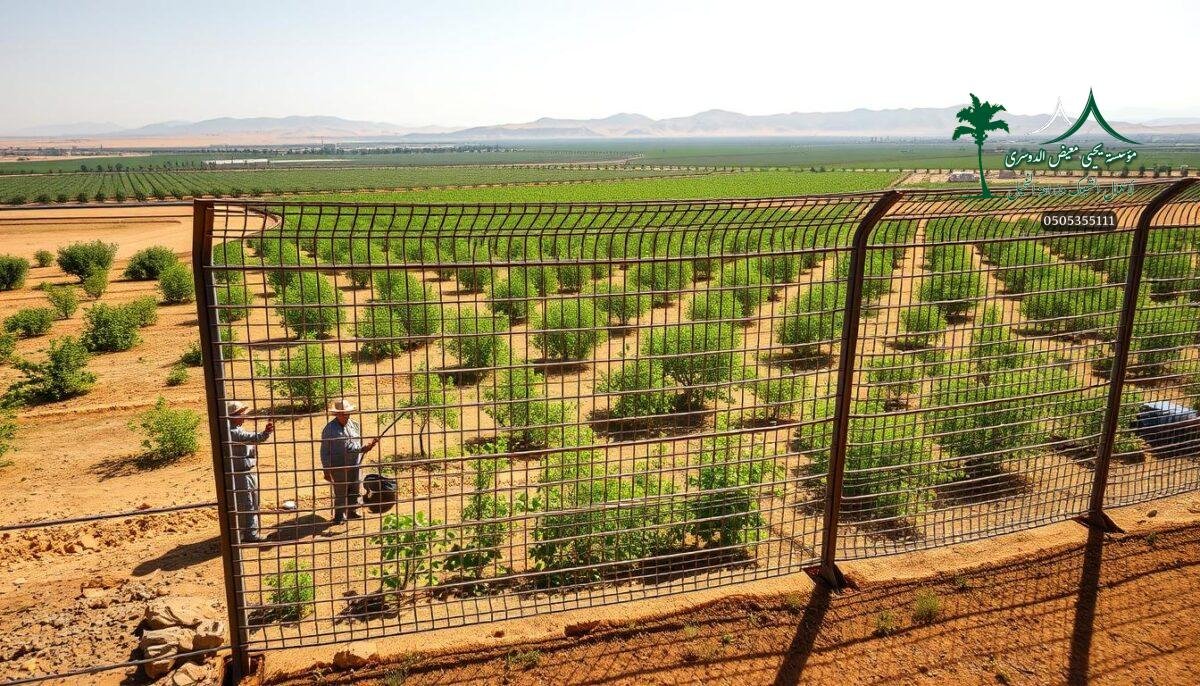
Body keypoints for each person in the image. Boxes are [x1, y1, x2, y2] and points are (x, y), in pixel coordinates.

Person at [320, 398, 378, 524]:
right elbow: (324, 451)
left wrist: (365, 447)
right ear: (336, 414)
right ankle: (339, 516)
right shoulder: (330, 429)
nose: (345, 416)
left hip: (355, 463)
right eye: (342, 413)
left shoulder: (354, 424)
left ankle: (352, 510)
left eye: (347, 413)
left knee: (355, 487)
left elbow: (355, 443)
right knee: (341, 491)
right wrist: (326, 470)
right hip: (339, 465)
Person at [225, 400, 274, 544]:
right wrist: (266, 432)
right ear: (233, 416)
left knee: (253, 502)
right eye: (241, 414)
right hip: (242, 474)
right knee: (248, 503)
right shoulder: (233, 433)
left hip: (247, 471)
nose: (244, 416)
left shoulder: (236, 430)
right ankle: (250, 535)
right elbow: (256, 438)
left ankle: (249, 531)